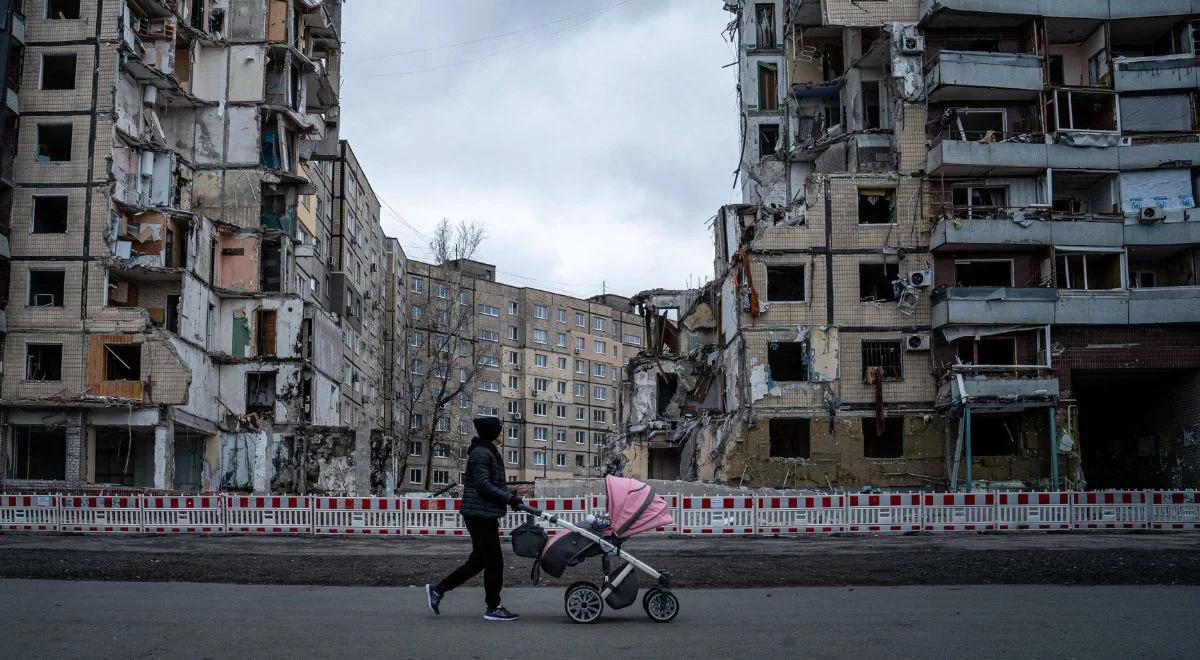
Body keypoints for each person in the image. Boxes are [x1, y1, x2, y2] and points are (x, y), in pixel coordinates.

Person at [426, 417, 523, 621]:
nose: (503, 433)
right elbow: (483, 485)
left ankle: (438, 589)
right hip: (480, 514)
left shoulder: (486, 451)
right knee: (494, 561)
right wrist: (508, 498)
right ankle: (493, 607)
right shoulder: (481, 453)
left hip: (482, 513)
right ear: (492, 433)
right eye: (501, 430)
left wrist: (511, 497)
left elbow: (491, 483)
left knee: (480, 560)